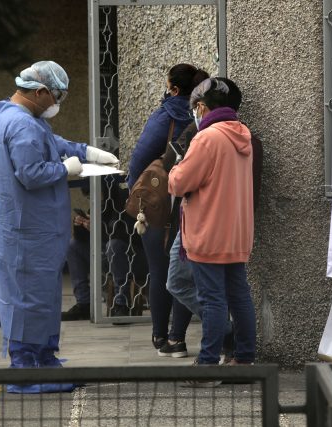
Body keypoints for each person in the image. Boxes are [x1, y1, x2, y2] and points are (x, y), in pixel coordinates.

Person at [0, 61, 118, 393]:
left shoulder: (14, 116)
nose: (57, 102)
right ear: (40, 92)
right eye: (56, 96)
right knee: (29, 300)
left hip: (27, 229)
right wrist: (66, 170)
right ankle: (26, 369)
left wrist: (87, 152)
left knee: (40, 298)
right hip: (28, 231)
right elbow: (31, 174)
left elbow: (51, 143)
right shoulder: (23, 126)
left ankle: (44, 358)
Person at [163, 77, 263, 360]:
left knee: (213, 299)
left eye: (196, 107)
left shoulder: (207, 138)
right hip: (236, 231)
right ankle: (244, 359)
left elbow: (180, 182)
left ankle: (207, 364)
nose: (194, 112)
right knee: (239, 296)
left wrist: (175, 170)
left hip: (208, 231)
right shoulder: (243, 134)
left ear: (204, 107)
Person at [128, 64, 209, 356]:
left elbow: (139, 158)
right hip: (194, 204)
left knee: (161, 271)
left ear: (174, 89)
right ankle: (178, 338)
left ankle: (161, 338)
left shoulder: (167, 115)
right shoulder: (205, 116)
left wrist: (136, 193)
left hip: (162, 204)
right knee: (184, 270)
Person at [62, 177, 147, 321]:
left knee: (113, 246)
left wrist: (97, 227)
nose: (94, 199)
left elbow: (124, 234)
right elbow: (84, 239)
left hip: (133, 256)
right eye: (89, 197)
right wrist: (81, 225)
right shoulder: (99, 204)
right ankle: (84, 303)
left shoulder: (123, 200)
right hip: (106, 256)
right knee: (73, 246)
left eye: (95, 195)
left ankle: (122, 303)